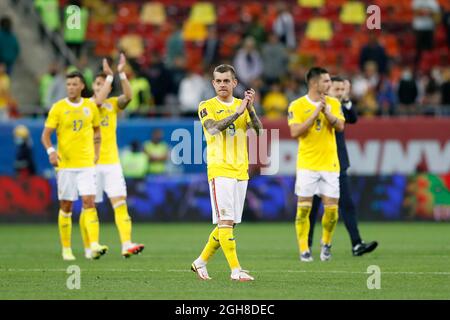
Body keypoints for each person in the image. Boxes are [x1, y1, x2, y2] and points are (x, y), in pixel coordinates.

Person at [191, 64, 263, 281]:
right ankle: (235, 270)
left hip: (241, 170)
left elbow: (258, 131)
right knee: (225, 222)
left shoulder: (242, 106)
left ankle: (200, 262)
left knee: (228, 223)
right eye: (218, 81)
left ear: (234, 83)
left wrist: (249, 108)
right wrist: (237, 112)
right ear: (213, 83)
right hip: (220, 169)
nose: (222, 85)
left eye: (226, 81)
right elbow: (213, 128)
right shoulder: (206, 105)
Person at [41, 70, 110, 261]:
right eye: (68, 84)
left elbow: (97, 131)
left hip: (87, 164)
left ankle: (94, 244)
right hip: (66, 165)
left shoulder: (90, 106)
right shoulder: (58, 108)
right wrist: (51, 152)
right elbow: (45, 136)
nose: (71, 87)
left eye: (74, 84)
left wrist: (96, 153)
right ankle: (66, 249)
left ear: (82, 86)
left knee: (89, 202)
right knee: (66, 206)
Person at [308, 77, 378, 257]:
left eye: (342, 90)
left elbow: (353, 118)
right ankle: (306, 245)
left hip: (337, 164)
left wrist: (346, 99)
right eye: (336, 90)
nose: (339, 93)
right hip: (317, 164)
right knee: (312, 207)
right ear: (328, 90)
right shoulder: (319, 106)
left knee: (347, 204)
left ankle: (357, 244)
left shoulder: (340, 108)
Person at [89, 54, 144, 259]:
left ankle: (126, 244)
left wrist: (121, 74)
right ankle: (92, 245)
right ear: (93, 87)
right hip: (91, 164)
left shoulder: (112, 105)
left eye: (103, 83)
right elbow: (98, 100)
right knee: (89, 205)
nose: (100, 87)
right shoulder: (87, 106)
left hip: (112, 163)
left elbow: (128, 97)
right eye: (97, 83)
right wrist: (110, 78)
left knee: (120, 203)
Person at [288, 67, 345, 262]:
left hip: (330, 164)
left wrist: (327, 113)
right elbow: (295, 133)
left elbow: (340, 126)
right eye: (327, 81)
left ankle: (326, 243)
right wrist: (315, 114)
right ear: (314, 83)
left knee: (332, 210)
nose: (330, 84)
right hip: (307, 165)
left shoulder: (334, 103)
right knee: (303, 208)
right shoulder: (297, 105)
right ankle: (304, 249)